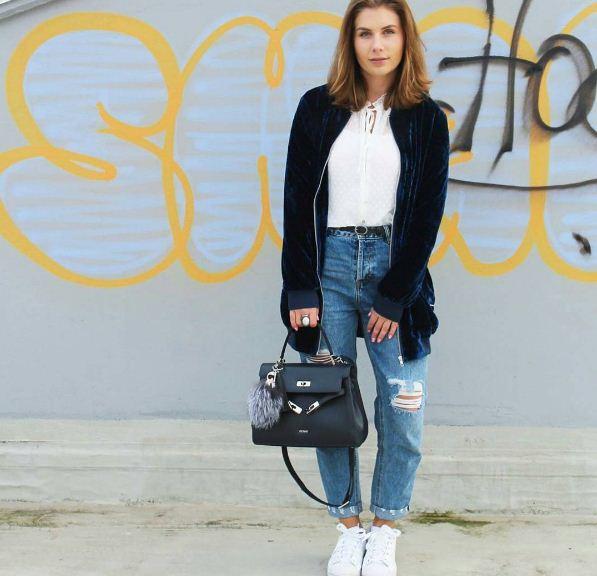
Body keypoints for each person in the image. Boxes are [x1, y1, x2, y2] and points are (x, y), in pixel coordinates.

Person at [279, 1, 450, 575]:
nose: (377, 45)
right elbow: (297, 200)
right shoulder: (318, 107)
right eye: (365, 33)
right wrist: (300, 287)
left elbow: (426, 216)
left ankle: (386, 528)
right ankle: (348, 528)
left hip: (392, 269)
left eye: (388, 32)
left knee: (403, 407)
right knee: (328, 406)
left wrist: (395, 295)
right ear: (350, 42)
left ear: (405, 39)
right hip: (326, 268)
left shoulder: (426, 119)